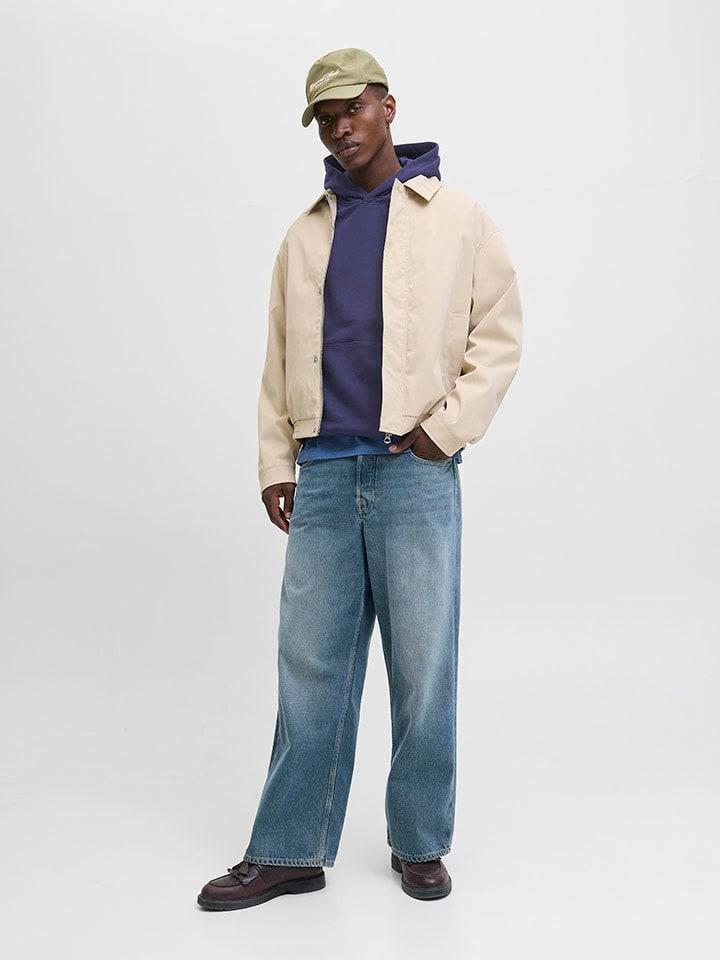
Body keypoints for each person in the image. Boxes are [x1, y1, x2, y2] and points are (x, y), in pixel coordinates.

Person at [197, 47, 523, 911]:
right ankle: (290, 850)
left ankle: (420, 841)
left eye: (354, 108)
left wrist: (443, 431)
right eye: (326, 118)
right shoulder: (304, 234)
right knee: (310, 666)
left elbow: (499, 336)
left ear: (388, 106)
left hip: (414, 469)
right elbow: (278, 361)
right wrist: (277, 463)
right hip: (324, 473)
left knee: (423, 664)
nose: (342, 128)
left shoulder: (457, 218)